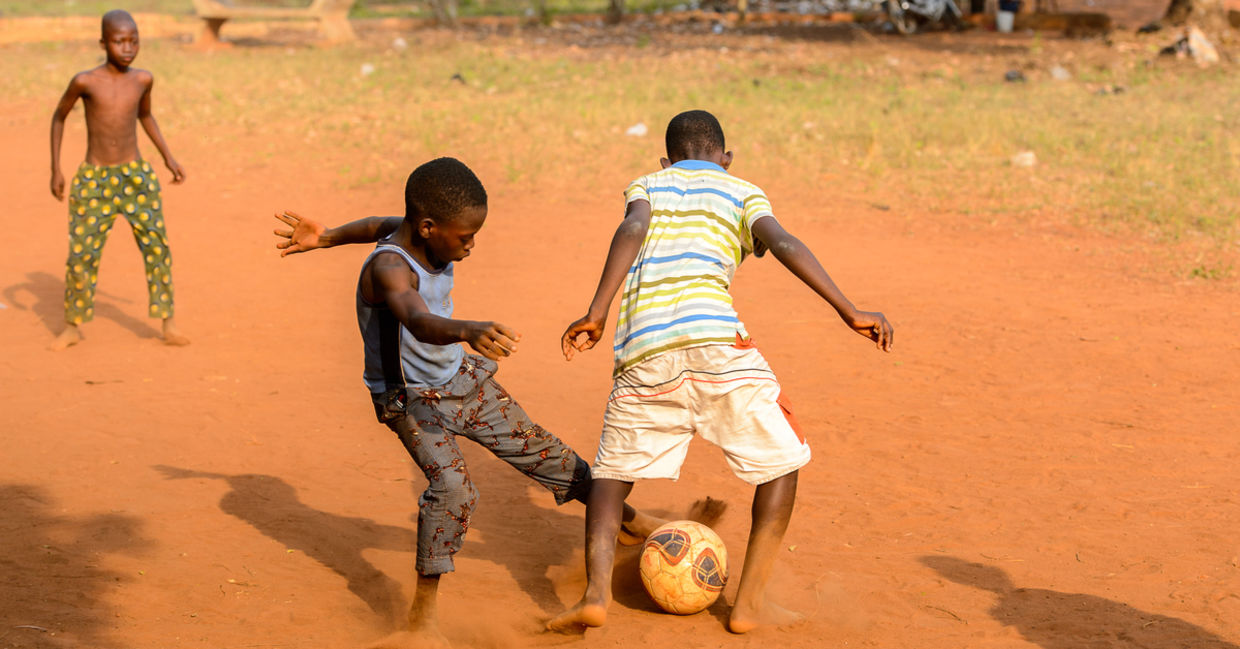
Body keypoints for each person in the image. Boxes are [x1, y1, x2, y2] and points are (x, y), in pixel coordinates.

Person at [272, 157, 662, 647]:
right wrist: (468, 329)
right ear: (429, 227)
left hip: (462, 380)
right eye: (465, 237)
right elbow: (417, 319)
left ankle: (627, 521)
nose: (472, 246)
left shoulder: (408, 229)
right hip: (411, 400)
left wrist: (327, 236)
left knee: (546, 451)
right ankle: (422, 619)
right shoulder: (391, 267)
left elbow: (377, 223)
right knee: (453, 490)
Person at [547, 110, 894, 634]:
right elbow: (782, 242)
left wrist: (597, 311)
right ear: (725, 158)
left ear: (667, 161)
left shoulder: (649, 184)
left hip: (644, 350)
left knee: (611, 476)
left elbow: (632, 227)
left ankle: (596, 596)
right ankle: (749, 603)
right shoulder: (742, 190)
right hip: (718, 345)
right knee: (782, 463)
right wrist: (848, 308)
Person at [48, 10, 189, 350]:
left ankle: (168, 322)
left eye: (133, 41)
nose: (127, 48)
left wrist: (168, 157)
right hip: (94, 180)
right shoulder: (84, 81)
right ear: (103, 42)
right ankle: (71, 326)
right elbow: (58, 117)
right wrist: (55, 168)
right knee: (81, 255)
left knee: (157, 247)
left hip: (137, 177)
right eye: (119, 41)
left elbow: (145, 115)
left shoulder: (142, 80)